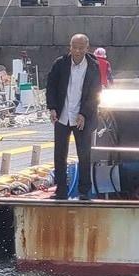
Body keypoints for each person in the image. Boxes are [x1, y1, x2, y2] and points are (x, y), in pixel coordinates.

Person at [46, 34, 101, 200]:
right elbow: (51, 86)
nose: (77, 51)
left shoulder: (93, 66)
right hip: (63, 115)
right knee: (59, 153)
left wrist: (84, 113)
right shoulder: (60, 64)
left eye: (81, 48)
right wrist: (52, 108)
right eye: (74, 47)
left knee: (84, 154)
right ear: (70, 47)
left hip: (82, 117)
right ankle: (60, 189)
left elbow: (95, 94)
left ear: (87, 48)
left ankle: (84, 191)